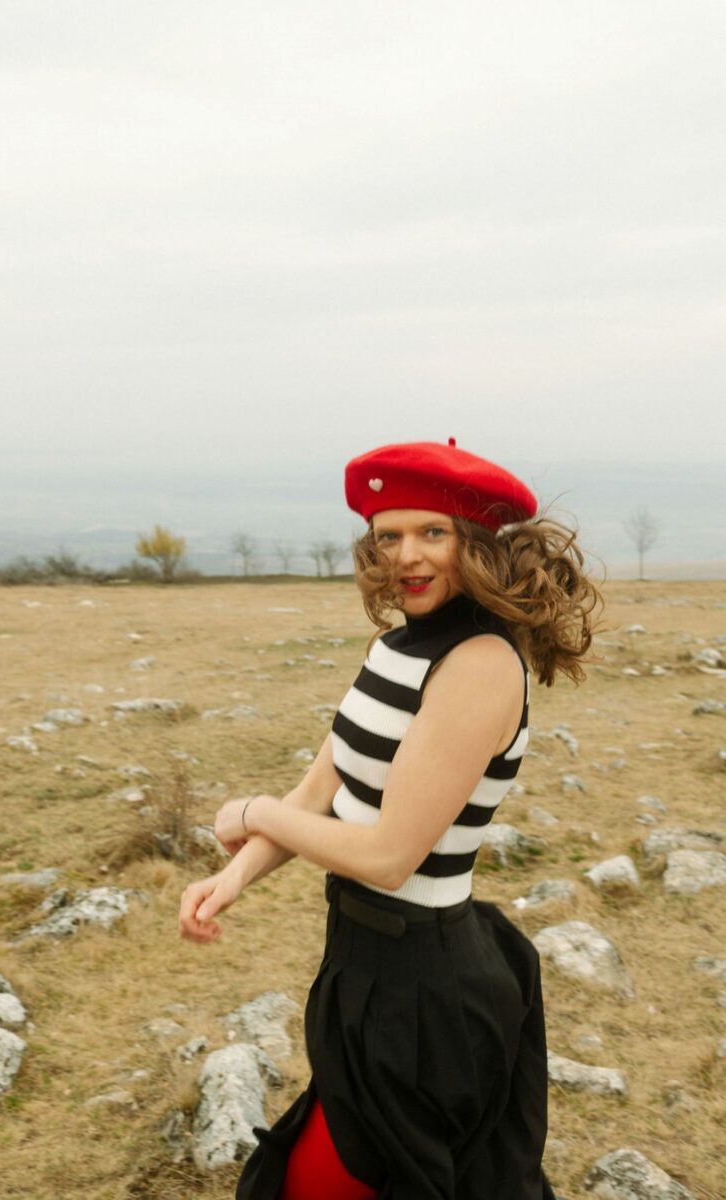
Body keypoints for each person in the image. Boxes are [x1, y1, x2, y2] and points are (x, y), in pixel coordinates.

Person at [178, 438, 603, 1200]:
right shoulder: (395, 649)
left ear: (475, 542)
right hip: (361, 964)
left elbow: (386, 856)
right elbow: (318, 794)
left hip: (426, 988)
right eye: (389, 535)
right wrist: (234, 874)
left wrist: (249, 811)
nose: (407, 555)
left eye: (432, 532)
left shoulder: (479, 663)